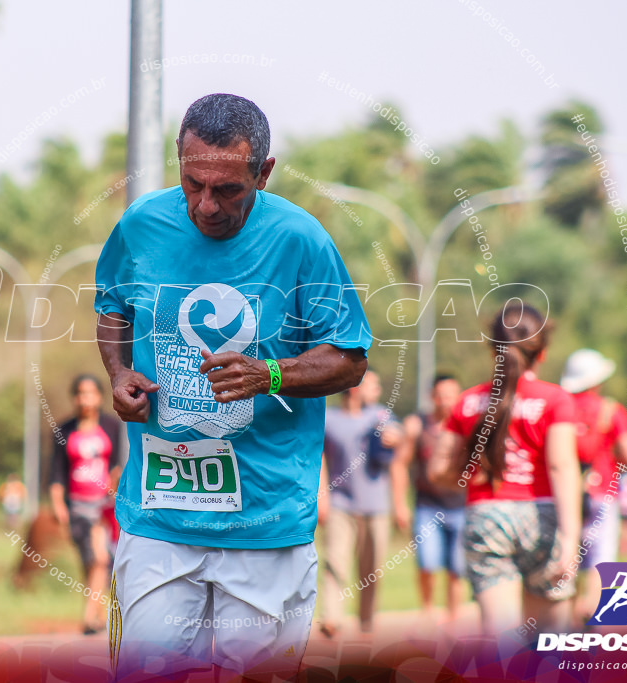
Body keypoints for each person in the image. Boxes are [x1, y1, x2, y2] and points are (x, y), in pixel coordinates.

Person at [95, 93, 371, 681]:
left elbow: (349, 358)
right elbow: (113, 306)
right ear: (179, 159)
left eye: (227, 190)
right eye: (193, 183)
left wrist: (270, 373)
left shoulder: (301, 239)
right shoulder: (142, 224)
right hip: (160, 517)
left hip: (265, 522)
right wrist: (119, 374)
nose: (206, 205)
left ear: (263, 172)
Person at [428, 305, 580, 638]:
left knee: (502, 643)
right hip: (543, 517)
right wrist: (570, 540)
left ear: (492, 348)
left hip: (486, 515)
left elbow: (438, 470)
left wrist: (469, 477)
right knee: (551, 642)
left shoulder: (467, 402)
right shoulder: (556, 400)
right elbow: (561, 465)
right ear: (541, 352)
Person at [558, 348, 627, 624]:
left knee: (567, 552)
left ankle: (567, 612)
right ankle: (591, 608)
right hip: (602, 492)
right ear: (596, 380)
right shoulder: (609, 410)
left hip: (565, 494)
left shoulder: (559, 408)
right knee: (601, 557)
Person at [319, 371, 398, 637]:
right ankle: (331, 618)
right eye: (373, 385)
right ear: (354, 387)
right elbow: (319, 458)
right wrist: (323, 497)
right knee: (335, 561)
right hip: (341, 502)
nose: (377, 390)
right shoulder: (329, 419)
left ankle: (366, 621)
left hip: (376, 507)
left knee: (372, 569)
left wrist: (395, 437)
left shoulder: (380, 416)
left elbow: (396, 433)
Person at [47, 374, 124, 636]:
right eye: (80, 393)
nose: (85, 398)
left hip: (103, 505)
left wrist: (115, 493)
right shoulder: (63, 430)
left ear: (100, 396)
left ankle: (89, 618)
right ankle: (98, 613)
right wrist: (58, 505)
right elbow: (56, 472)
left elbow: (116, 464)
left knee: (101, 559)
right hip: (77, 507)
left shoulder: (111, 426)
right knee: (90, 562)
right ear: (74, 397)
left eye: (90, 393)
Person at [391, 374, 467, 623]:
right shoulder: (417, 425)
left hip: (462, 507)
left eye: (451, 396)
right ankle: (427, 613)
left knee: (457, 568)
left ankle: (453, 620)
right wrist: (400, 504)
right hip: (427, 507)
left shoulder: (469, 426)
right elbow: (399, 464)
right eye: (441, 395)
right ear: (432, 397)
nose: (446, 401)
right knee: (428, 563)